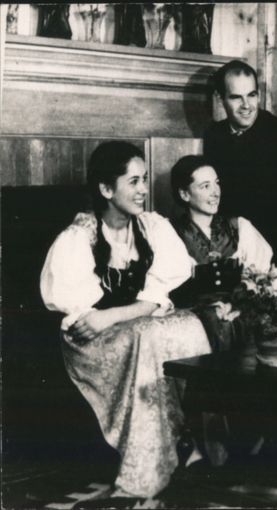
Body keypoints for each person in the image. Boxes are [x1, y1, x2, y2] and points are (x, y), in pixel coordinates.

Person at [39, 142, 211, 500]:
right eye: (133, 181)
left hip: (122, 323)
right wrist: (115, 317)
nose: (144, 190)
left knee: (190, 324)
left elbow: (159, 292)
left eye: (145, 180)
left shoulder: (151, 228)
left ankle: (189, 438)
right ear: (106, 189)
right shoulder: (80, 237)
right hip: (90, 341)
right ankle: (150, 466)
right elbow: (85, 318)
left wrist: (118, 314)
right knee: (146, 337)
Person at [203, 59, 277, 259]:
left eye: (251, 95)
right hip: (231, 244)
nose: (246, 105)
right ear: (220, 98)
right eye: (236, 97)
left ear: (258, 95)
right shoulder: (214, 136)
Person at [169, 155, 273, 351]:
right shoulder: (170, 233)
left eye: (217, 184)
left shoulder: (239, 227)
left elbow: (261, 276)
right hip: (195, 315)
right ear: (184, 194)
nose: (215, 192)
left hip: (239, 309)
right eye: (205, 186)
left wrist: (238, 303)